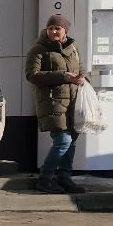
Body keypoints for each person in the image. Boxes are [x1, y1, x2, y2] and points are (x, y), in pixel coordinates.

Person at [26, 12, 87, 194]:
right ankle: (45, 179)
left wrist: (83, 79)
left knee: (72, 141)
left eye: (57, 28)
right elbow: (32, 75)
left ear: (64, 30)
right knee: (63, 141)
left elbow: (80, 69)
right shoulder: (38, 49)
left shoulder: (73, 48)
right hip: (53, 103)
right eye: (50, 28)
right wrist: (63, 76)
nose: (53, 31)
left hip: (73, 103)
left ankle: (65, 178)